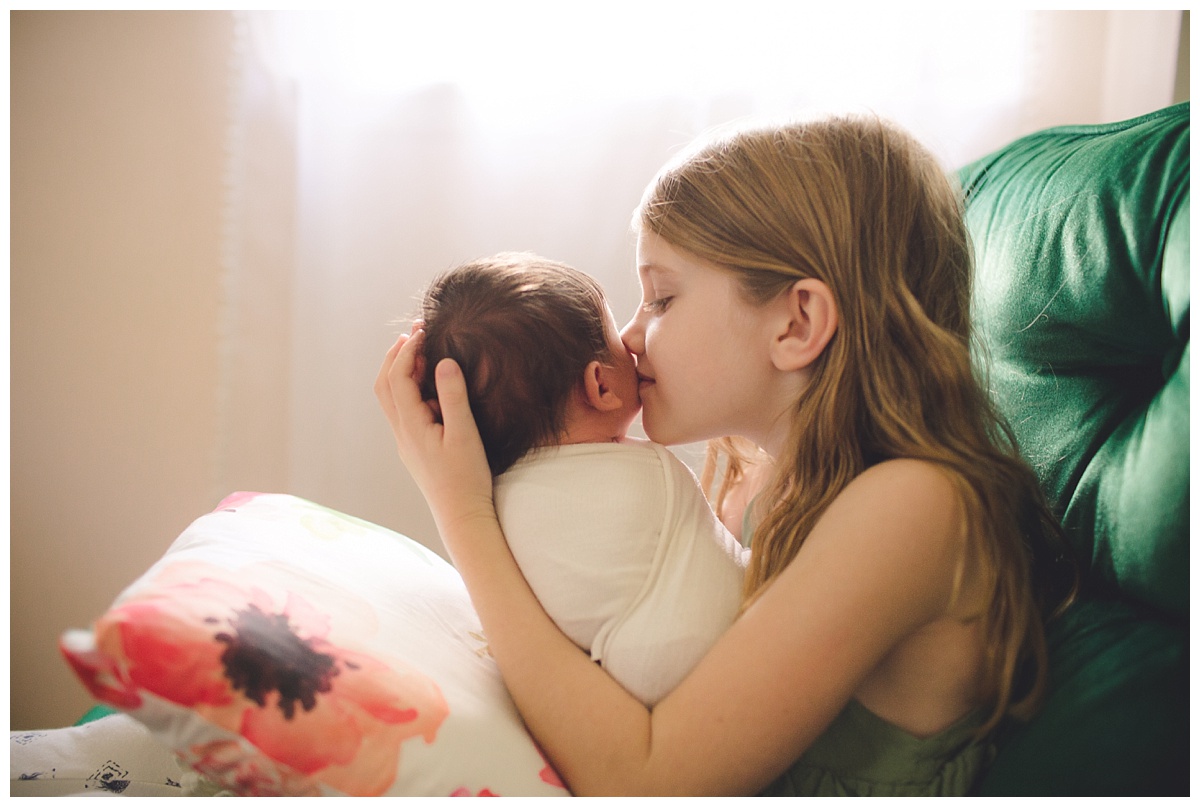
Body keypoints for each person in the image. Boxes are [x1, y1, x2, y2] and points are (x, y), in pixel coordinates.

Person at [375, 114, 1076, 796]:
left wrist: (463, 513)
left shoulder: (914, 507)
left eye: (662, 298)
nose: (630, 336)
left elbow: (643, 779)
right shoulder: (763, 482)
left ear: (798, 322)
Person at [413, 252, 746, 707]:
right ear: (601, 387)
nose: (631, 338)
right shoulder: (648, 473)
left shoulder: (491, 507)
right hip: (711, 678)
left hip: (604, 700)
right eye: (614, 333)